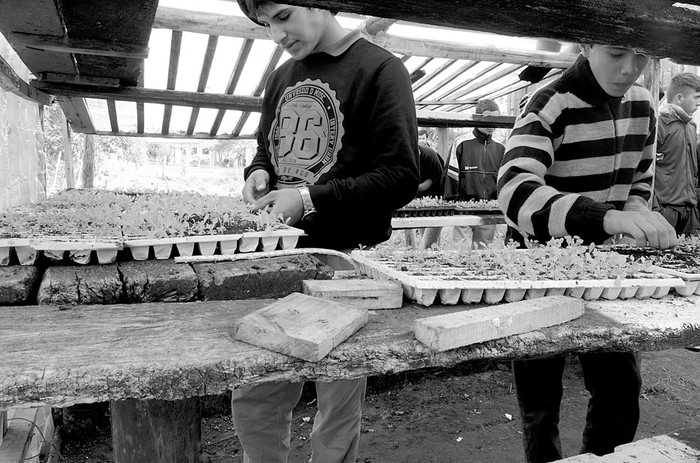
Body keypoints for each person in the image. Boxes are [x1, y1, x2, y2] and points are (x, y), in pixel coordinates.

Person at [235, 1, 420, 462]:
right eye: (265, 25)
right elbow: (267, 149)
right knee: (256, 393)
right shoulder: (281, 77)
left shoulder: (381, 69)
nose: (276, 34)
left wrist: (310, 198)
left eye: (282, 16)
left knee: (337, 395)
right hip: (279, 259)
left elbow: (400, 174)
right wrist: (257, 173)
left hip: (347, 261)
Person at [497, 44, 678, 463]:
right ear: (585, 45)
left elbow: (640, 179)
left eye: (643, 57)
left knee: (620, 391)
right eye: (616, 53)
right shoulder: (549, 101)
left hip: (605, 272)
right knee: (540, 400)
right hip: (538, 271)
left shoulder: (643, 104)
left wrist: (634, 209)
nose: (629, 69)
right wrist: (606, 219)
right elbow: (513, 191)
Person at [443, 98, 505, 250]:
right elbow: (451, 175)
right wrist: (452, 205)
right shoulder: (461, 143)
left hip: (490, 211)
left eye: (496, 119)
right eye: (487, 119)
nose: (492, 125)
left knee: (483, 255)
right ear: (477, 117)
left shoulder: (501, 148)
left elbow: (504, 180)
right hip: (463, 209)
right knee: (460, 253)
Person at [652, 72, 700, 237]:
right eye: (696, 97)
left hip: (690, 214)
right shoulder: (659, 126)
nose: (699, 103)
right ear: (679, 98)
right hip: (666, 212)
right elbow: (641, 169)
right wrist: (656, 209)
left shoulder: (691, 128)